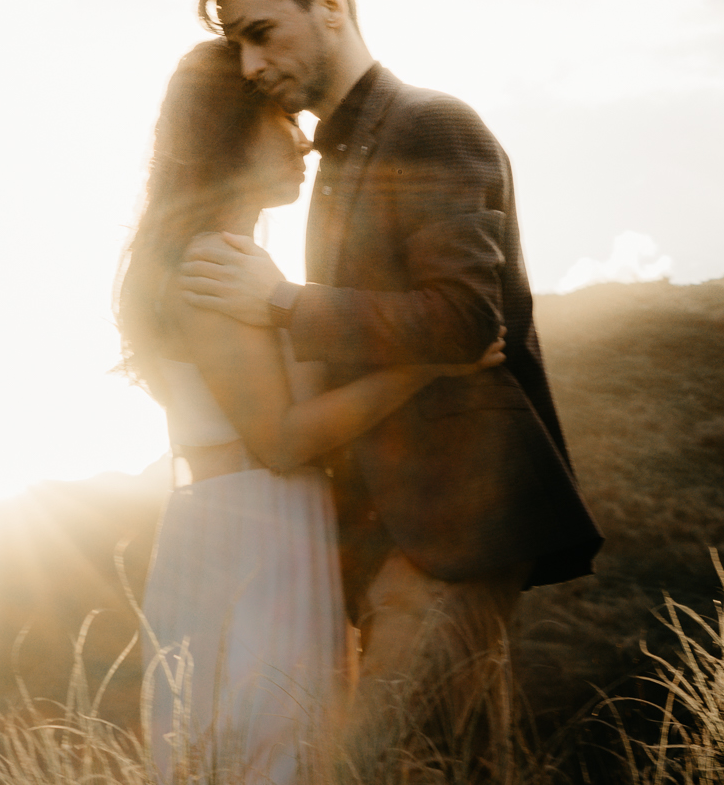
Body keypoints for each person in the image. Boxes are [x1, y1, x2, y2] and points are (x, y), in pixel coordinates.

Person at [178, 0, 603, 776]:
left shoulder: (430, 124)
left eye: (263, 32)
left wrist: (282, 303)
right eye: (238, 45)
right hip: (390, 540)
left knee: (374, 768)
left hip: (452, 524)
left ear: (329, 5)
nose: (253, 65)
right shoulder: (338, 162)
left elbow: (464, 320)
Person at [118, 39, 506, 785]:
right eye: (281, 116)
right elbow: (283, 439)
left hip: (259, 520)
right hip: (252, 526)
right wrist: (427, 363)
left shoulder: (234, 262)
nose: (303, 136)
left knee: (279, 748)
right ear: (233, 131)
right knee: (268, 752)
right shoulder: (210, 262)